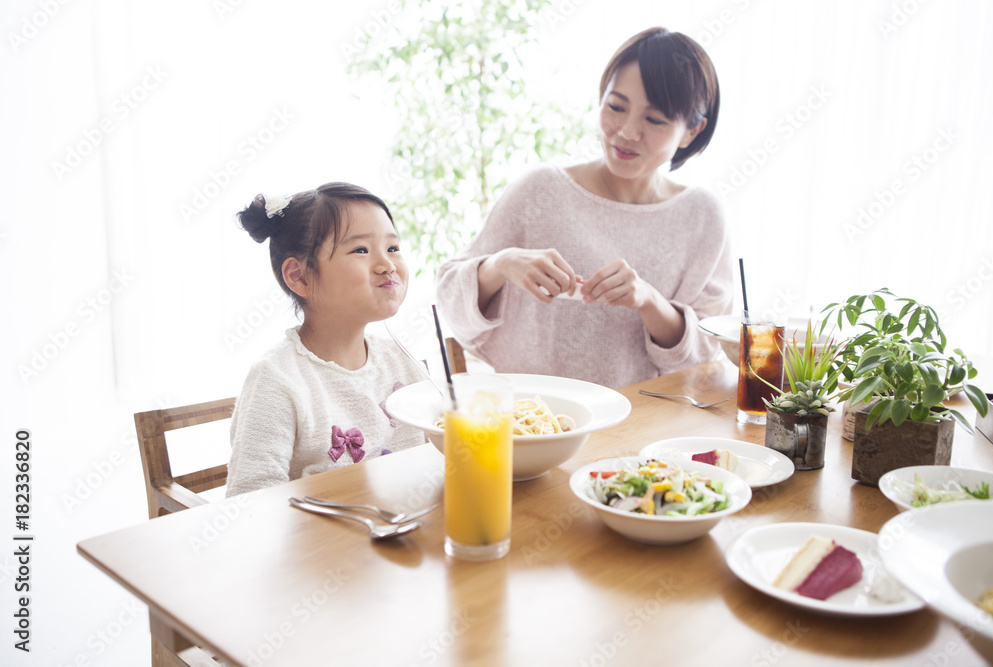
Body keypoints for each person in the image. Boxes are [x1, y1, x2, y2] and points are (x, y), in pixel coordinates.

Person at [435, 27, 733, 389]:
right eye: (616, 107)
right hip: (529, 418)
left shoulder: (702, 216)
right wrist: (501, 264)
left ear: (692, 131)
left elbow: (707, 351)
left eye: (654, 120)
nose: (626, 131)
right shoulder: (540, 190)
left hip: (640, 427)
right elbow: (450, 298)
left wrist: (650, 301)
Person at [226, 183, 426, 496]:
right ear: (300, 276)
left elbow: (436, 459)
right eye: (361, 250)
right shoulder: (276, 379)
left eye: (393, 248)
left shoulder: (401, 360)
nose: (387, 265)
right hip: (322, 543)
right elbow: (250, 502)